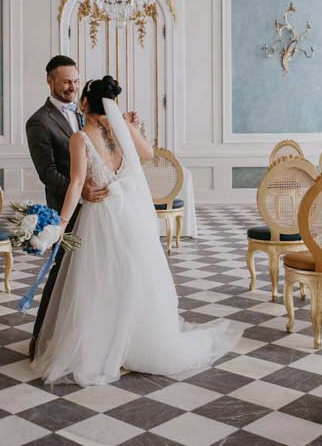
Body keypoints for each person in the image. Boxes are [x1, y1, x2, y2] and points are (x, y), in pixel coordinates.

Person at [31, 76, 240, 386]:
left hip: (99, 217)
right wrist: (130, 126)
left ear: (86, 102)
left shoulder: (80, 138)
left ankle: (104, 345)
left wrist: (60, 225)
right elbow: (147, 154)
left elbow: (76, 185)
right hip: (129, 216)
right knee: (133, 276)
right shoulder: (121, 130)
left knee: (99, 281)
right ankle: (136, 342)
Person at [25, 55, 108, 359]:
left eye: (75, 80)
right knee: (61, 274)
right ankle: (41, 339)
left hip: (99, 211)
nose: (73, 87)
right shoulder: (38, 122)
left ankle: (90, 337)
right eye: (66, 82)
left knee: (93, 274)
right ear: (50, 82)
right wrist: (81, 189)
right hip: (67, 208)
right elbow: (47, 172)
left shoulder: (87, 113)